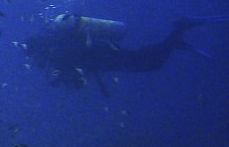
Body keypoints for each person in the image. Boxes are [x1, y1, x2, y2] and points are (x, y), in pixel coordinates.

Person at [23, 14, 229, 96]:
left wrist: (63, 77)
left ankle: (177, 34)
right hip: (106, 56)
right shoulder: (56, 49)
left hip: (106, 56)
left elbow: (78, 62)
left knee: (147, 63)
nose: (36, 63)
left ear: (37, 50)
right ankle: (174, 40)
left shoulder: (56, 52)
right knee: (142, 60)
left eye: (34, 58)